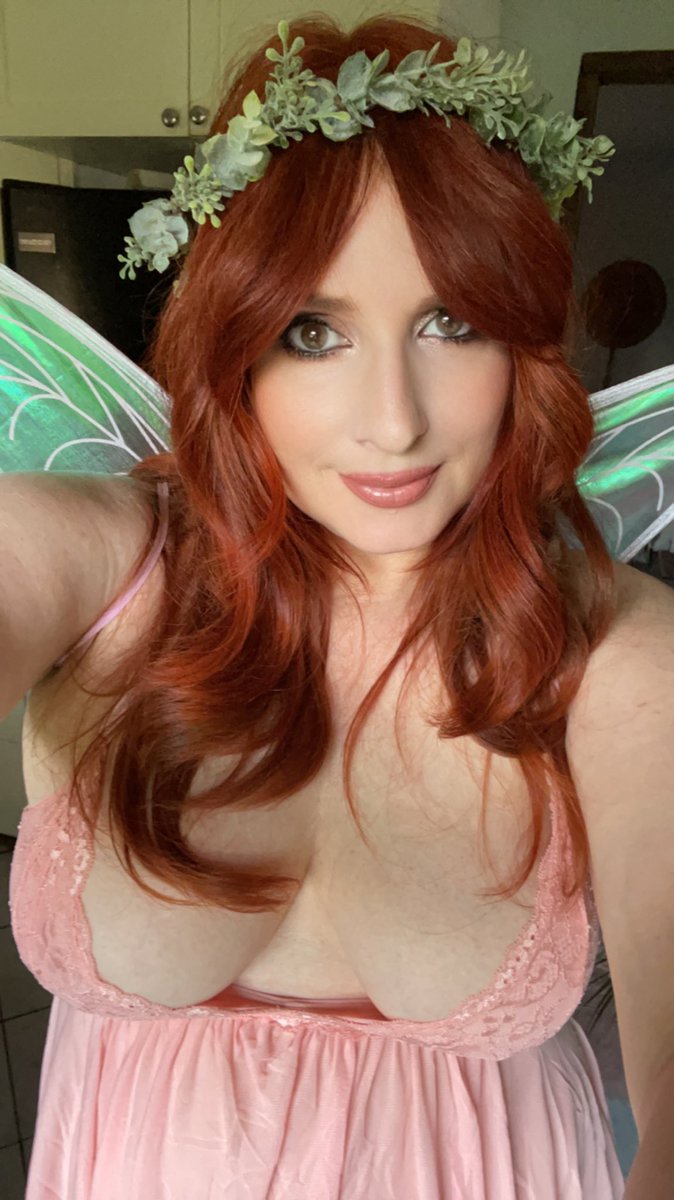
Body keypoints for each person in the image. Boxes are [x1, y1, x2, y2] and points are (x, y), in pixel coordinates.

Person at [4, 12, 650, 1198]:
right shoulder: (105, 562)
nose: (392, 422)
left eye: (450, 323)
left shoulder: (616, 650)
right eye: (312, 331)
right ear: (235, 352)